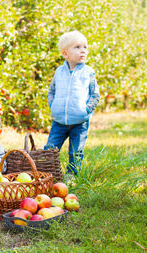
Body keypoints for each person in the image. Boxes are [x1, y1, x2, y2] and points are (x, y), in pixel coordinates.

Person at [44, 31, 100, 179]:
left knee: (76, 151)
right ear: (65, 54)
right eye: (77, 47)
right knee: (50, 148)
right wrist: (53, 106)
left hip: (80, 121)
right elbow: (51, 91)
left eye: (85, 47)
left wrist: (86, 110)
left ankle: (71, 175)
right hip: (59, 121)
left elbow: (95, 95)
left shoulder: (88, 73)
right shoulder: (59, 72)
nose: (83, 50)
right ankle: (48, 173)